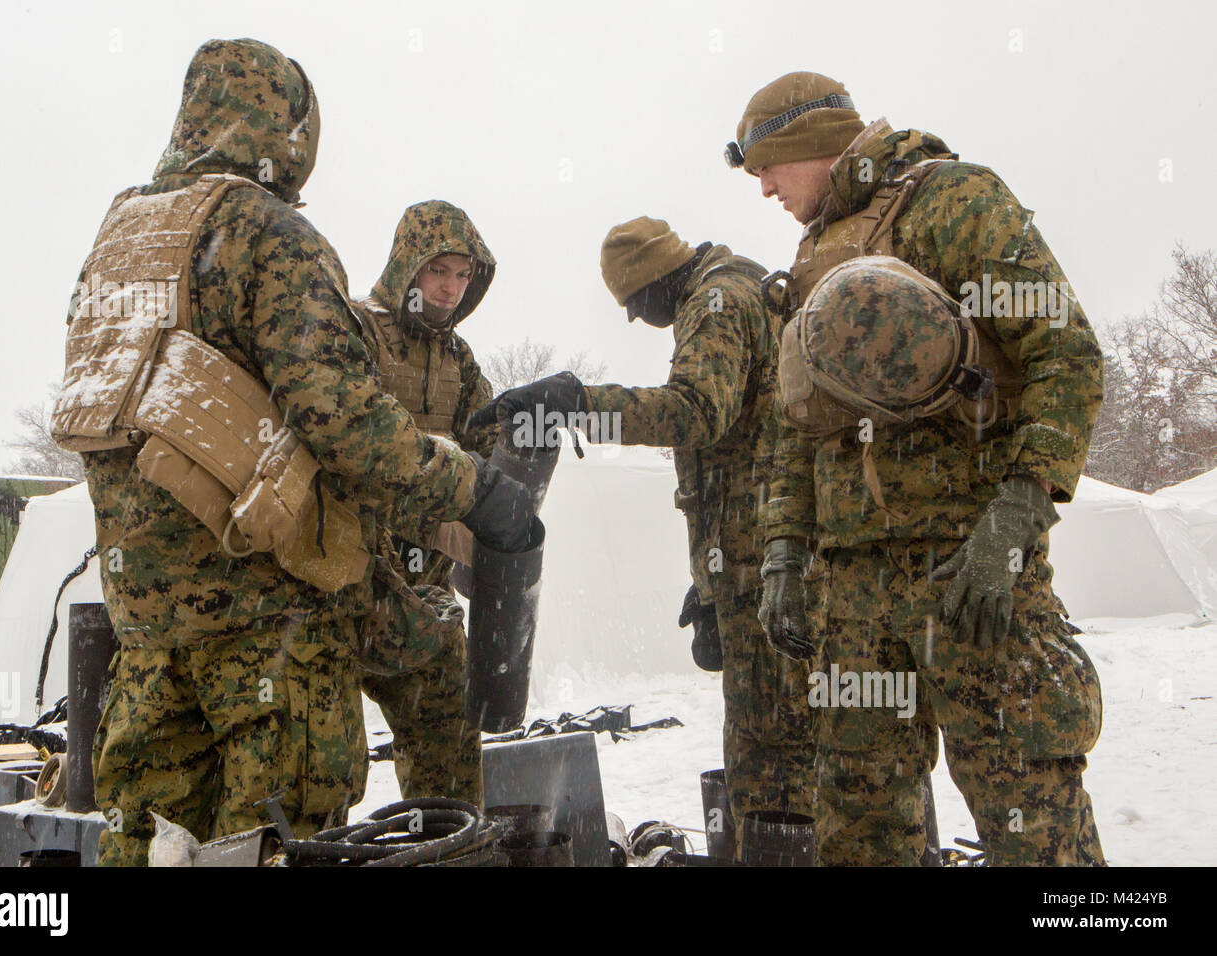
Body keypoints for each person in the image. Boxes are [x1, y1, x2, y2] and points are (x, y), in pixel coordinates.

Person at [49, 38, 534, 865]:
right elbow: (342, 421)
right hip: (269, 617)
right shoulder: (268, 234)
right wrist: (474, 487)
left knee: (155, 838)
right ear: (289, 126)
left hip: (149, 621)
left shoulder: (121, 237)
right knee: (277, 835)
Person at [729, 71, 1106, 865]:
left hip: (970, 576)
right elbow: (798, 427)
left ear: (814, 144)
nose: (762, 186)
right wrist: (785, 552)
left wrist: (1016, 515)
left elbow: (1064, 355)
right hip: (853, 594)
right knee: (858, 826)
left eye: (770, 164)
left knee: (1030, 816)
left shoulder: (953, 201)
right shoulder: (810, 257)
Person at [471, 218, 817, 853]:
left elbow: (695, 414)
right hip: (753, 559)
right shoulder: (731, 293)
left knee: (773, 760)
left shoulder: (717, 301)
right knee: (772, 748)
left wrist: (577, 403)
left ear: (657, 278)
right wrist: (709, 583)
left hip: (767, 559)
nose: (633, 319)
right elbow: (730, 461)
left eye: (631, 302)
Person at [352, 201, 500, 803]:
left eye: (463, 275)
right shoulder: (357, 332)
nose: (450, 288)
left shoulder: (459, 359)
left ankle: (444, 845)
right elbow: (341, 452)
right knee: (324, 768)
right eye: (438, 270)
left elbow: (486, 461)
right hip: (344, 585)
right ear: (406, 266)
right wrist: (428, 521)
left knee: (450, 755)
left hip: (425, 596)